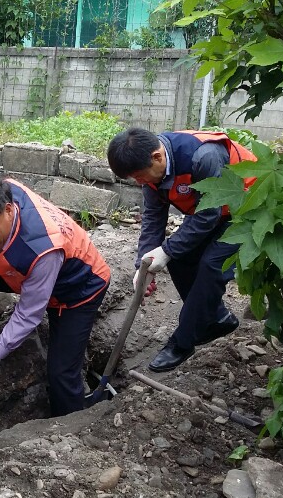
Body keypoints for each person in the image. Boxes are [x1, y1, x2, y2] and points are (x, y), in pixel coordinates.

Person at [0, 174, 111, 417]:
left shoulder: (43, 248)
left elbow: (29, 313)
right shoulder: (7, 189)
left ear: (8, 210)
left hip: (78, 287)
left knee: (61, 371)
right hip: (31, 269)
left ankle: (69, 427)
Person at [106, 127, 256, 373]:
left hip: (247, 211)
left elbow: (209, 216)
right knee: (178, 258)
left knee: (211, 266)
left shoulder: (202, 157)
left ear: (157, 157)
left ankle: (182, 343)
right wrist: (143, 267)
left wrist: (165, 251)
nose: (140, 183)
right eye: (135, 180)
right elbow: (154, 218)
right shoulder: (151, 172)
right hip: (212, 211)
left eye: (141, 177)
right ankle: (216, 319)